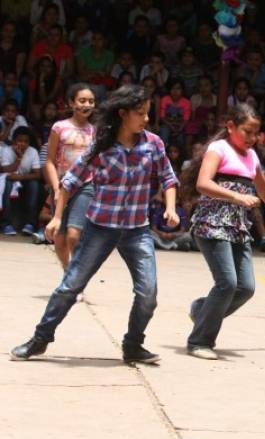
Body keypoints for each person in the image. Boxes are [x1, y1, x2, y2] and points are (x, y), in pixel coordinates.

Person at [10, 85, 180, 364]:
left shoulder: (154, 144)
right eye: (141, 114)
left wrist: (171, 208)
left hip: (137, 230)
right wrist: (56, 217)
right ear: (123, 114)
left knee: (148, 293)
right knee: (70, 286)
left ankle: (133, 345)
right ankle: (39, 340)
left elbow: (169, 179)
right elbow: (69, 183)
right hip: (101, 227)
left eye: (148, 114)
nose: (146, 119)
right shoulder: (101, 146)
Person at [182, 104, 265, 360]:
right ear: (230, 126)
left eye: (255, 133)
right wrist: (237, 197)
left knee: (246, 287)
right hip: (212, 223)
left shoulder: (252, 157)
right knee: (227, 283)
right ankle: (199, 341)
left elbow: (263, 188)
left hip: (237, 227)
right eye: (246, 131)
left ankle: (201, 309)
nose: (251, 138)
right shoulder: (218, 149)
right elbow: (203, 184)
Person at [45, 83, 96, 273]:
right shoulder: (59, 127)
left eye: (91, 101)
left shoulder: (95, 131)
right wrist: (56, 189)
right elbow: (49, 161)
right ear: (71, 103)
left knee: (74, 235)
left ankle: (76, 278)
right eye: (82, 100)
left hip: (85, 185)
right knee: (60, 236)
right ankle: (68, 271)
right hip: (60, 183)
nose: (87, 105)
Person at [0, 126, 42, 235]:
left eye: (25, 141)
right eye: (19, 140)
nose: (22, 144)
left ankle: (30, 224)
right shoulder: (6, 150)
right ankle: (6, 224)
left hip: (24, 180)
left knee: (34, 185)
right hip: (10, 180)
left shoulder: (32, 151)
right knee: (7, 184)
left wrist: (20, 177)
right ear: (13, 140)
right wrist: (18, 159)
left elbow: (37, 174)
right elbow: (6, 170)